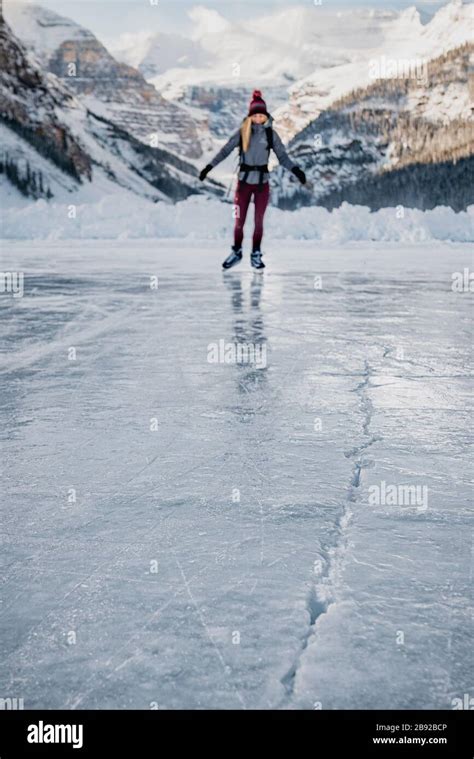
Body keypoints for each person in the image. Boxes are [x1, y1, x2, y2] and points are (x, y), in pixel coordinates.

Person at [199, 89, 306, 270]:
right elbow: (225, 150)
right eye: (255, 115)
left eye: (261, 115)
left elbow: (283, 157)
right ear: (250, 116)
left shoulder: (271, 135)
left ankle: (255, 253)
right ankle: (237, 252)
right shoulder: (243, 133)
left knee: (258, 221)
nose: (258, 118)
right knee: (239, 221)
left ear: (265, 116)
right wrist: (208, 167)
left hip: (262, 185)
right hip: (244, 184)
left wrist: (296, 170)